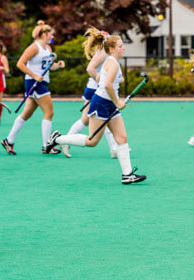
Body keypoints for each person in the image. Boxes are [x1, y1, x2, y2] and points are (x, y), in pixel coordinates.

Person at [46, 27, 146, 185]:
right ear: (112, 49)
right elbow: (106, 85)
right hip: (101, 103)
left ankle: (127, 175)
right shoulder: (112, 63)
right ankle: (58, 139)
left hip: (107, 103)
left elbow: (101, 78)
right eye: (120, 46)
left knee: (121, 138)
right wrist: (118, 102)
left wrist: (113, 97)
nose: (123, 48)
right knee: (92, 141)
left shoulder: (112, 62)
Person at [1, 20, 64, 155]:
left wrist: (58, 65)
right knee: (49, 112)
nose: (52, 37)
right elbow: (20, 64)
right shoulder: (34, 47)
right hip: (34, 83)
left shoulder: (48, 48)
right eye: (50, 34)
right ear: (43, 34)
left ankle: (9, 141)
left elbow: (49, 66)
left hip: (42, 82)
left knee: (26, 113)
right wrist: (34, 75)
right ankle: (46, 145)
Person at [61, 40, 118, 158]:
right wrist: (100, 81)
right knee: (95, 119)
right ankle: (64, 140)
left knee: (93, 119)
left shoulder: (108, 55)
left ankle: (115, 148)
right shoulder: (102, 53)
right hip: (94, 90)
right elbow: (90, 68)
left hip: (97, 90)